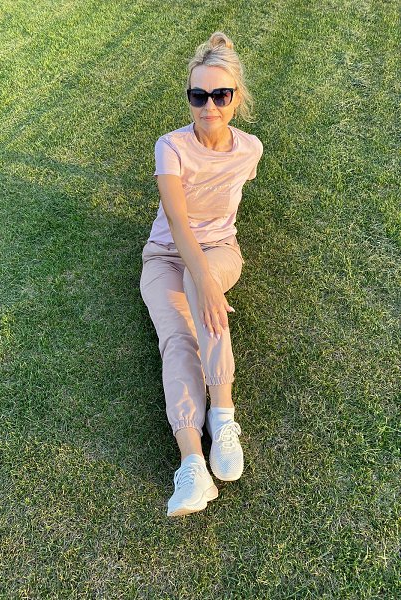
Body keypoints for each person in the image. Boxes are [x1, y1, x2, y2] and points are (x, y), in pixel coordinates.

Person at [139, 31, 263, 517]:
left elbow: (221, 216)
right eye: (198, 96)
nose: (209, 106)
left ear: (236, 98)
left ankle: (223, 415)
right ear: (189, 98)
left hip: (220, 251)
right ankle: (192, 462)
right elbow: (175, 219)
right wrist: (204, 283)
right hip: (163, 258)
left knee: (200, 281)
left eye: (220, 95)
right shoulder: (170, 146)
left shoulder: (249, 150)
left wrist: (208, 280)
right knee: (176, 339)